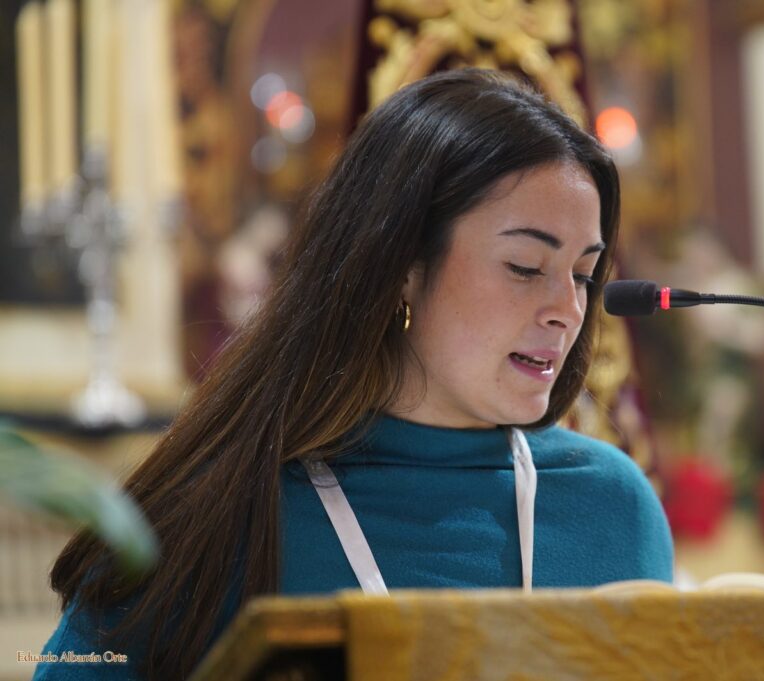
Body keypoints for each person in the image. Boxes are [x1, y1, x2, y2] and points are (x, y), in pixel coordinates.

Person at [34, 68, 674, 680]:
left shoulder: (614, 508)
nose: (568, 309)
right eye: (526, 267)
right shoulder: (213, 517)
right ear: (403, 266)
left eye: (584, 275)